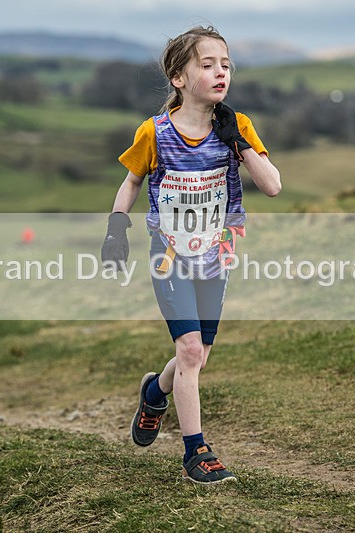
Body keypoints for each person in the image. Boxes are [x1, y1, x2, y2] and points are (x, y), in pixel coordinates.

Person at [100, 26, 281, 484]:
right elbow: (132, 180)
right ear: (178, 77)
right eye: (207, 65)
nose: (221, 72)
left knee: (196, 358)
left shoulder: (236, 127)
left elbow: (273, 185)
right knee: (190, 348)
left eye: (225, 65)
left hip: (217, 253)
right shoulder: (155, 132)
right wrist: (116, 228)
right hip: (169, 254)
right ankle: (195, 452)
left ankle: (154, 393)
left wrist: (238, 142)